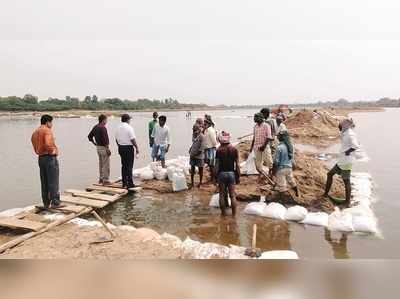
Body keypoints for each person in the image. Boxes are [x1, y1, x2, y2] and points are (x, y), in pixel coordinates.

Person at [324, 118, 359, 205]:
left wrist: (347, 152)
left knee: (346, 181)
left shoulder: (350, 134)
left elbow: (355, 146)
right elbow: (340, 132)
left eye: (341, 124)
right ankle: (325, 194)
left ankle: (347, 202)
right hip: (341, 161)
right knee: (330, 174)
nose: (340, 125)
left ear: (346, 125)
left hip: (347, 162)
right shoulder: (345, 132)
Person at [31, 115, 64, 208]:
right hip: (49, 157)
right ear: (47, 122)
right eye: (51, 122)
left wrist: (38, 151)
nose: (52, 124)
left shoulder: (35, 131)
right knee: (53, 180)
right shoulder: (47, 130)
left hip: (41, 158)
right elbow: (48, 143)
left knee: (44, 181)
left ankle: (46, 203)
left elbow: (33, 142)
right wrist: (52, 151)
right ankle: (55, 202)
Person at [215, 131, 240, 216]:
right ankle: (234, 215)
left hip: (222, 174)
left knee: (221, 194)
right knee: (232, 195)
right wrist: (238, 176)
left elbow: (217, 165)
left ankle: (223, 214)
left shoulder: (219, 150)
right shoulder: (234, 149)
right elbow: (237, 165)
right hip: (231, 174)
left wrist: (215, 177)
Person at [272, 131, 299, 199]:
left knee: (282, 186)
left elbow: (276, 161)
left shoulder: (279, 147)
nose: (277, 137)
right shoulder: (290, 146)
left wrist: (273, 171)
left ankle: (283, 200)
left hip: (281, 169)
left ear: (282, 138)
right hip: (289, 168)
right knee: (291, 181)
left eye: (279, 136)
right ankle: (297, 193)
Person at [115, 114, 139, 189]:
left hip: (121, 147)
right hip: (128, 148)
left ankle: (124, 183)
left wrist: (119, 146)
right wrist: (137, 147)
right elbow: (132, 139)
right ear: (127, 119)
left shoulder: (118, 127)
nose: (130, 121)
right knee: (129, 166)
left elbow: (116, 139)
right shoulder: (129, 127)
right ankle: (130, 183)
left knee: (124, 165)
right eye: (129, 119)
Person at [88, 114, 111, 185]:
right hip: (104, 148)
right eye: (106, 120)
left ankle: (101, 179)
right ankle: (105, 180)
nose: (106, 121)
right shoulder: (103, 128)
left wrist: (94, 143)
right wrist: (108, 149)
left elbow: (89, 136)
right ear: (103, 120)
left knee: (101, 164)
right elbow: (105, 140)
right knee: (106, 164)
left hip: (98, 147)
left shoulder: (95, 127)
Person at [250, 112, 273, 181]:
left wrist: (263, 146)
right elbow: (254, 137)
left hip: (265, 147)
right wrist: (251, 147)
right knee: (258, 163)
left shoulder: (266, 126)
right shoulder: (255, 126)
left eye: (256, 117)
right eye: (254, 117)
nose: (254, 119)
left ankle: (271, 174)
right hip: (256, 147)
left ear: (260, 118)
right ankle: (262, 175)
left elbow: (269, 137)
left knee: (269, 161)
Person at [203, 117, 218, 182]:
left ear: (208, 124)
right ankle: (212, 177)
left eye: (205, 123)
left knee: (212, 165)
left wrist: (215, 147)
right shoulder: (207, 130)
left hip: (211, 149)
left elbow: (214, 141)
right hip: (208, 149)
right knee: (210, 164)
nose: (204, 124)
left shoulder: (211, 130)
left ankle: (213, 178)